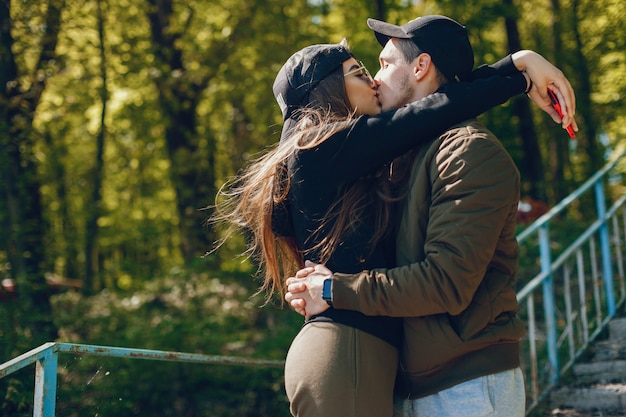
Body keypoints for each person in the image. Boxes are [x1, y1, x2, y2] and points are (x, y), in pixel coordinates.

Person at [213, 23, 574, 417]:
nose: (373, 81)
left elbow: (436, 105)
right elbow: (438, 106)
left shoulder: (373, 159)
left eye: (380, 67)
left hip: (386, 360)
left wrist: (519, 64)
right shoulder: (321, 147)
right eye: (361, 73)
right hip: (348, 351)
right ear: (328, 89)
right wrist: (518, 73)